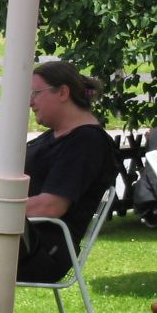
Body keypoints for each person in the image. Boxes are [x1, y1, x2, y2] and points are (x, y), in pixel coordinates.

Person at [18, 60, 120, 283]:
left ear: (63, 92)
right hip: (19, 238)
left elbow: (50, 206)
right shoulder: (56, 135)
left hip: (44, 250)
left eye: (36, 93)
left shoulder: (86, 142)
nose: (30, 102)